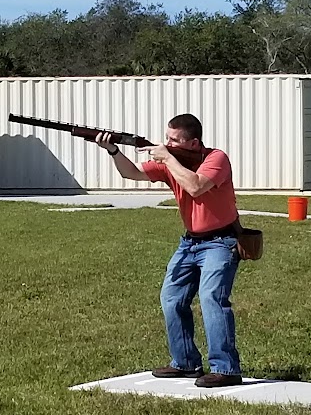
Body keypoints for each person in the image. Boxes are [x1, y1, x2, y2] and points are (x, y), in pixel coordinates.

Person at [95, 113, 243, 388]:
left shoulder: (216, 158)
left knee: (212, 299)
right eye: (167, 138)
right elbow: (133, 173)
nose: (167, 143)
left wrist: (167, 158)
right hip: (190, 242)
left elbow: (196, 186)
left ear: (193, 142)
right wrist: (113, 150)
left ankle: (226, 369)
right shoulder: (171, 162)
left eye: (174, 140)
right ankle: (186, 362)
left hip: (221, 241)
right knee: (171, 298)